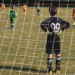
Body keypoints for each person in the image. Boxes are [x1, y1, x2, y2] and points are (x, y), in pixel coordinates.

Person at [40, 6, 70, 74]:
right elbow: (68, 24)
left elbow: (42, 24)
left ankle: (50, 70)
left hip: (50, 39)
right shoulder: (59, 20)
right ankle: (58, 69)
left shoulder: (49, 20)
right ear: (57, 12)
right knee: (57, 54)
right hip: (57, 39)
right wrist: (61, 30)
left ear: (49, 12)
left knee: (50, 54)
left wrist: (47, 31)